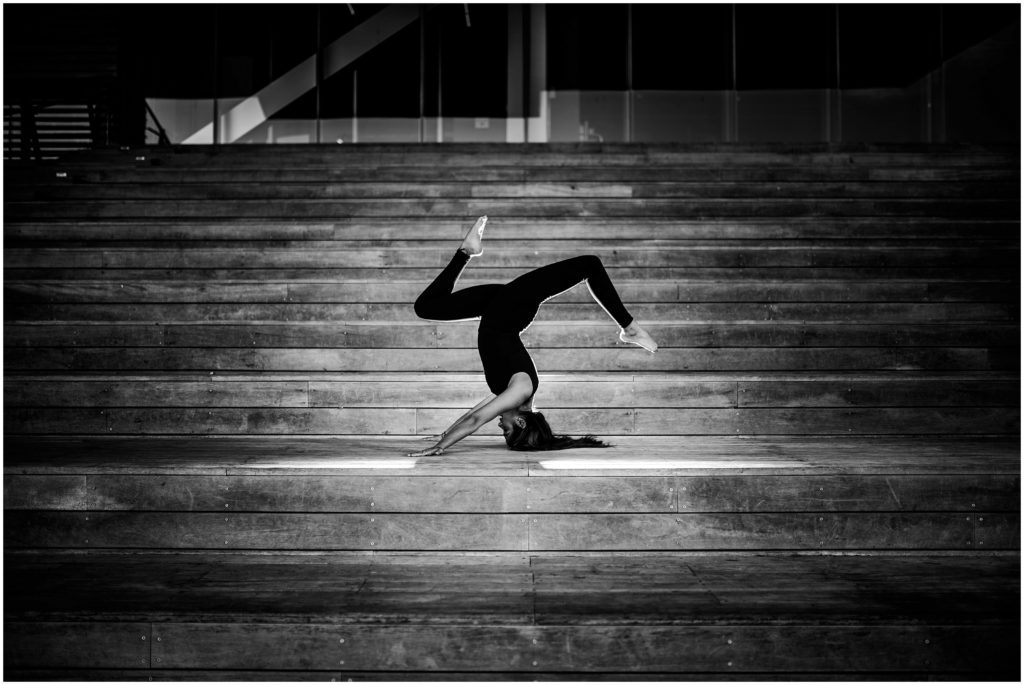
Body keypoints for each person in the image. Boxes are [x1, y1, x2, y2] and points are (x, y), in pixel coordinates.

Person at [407, 216, 657, 456]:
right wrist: (443, 447)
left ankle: (466, 252)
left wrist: (444, 437)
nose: (499, 427)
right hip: (513, 308)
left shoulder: (509, 394)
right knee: (589, 265)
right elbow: (477, 420)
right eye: (506, 430)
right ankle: (629, 327)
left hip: (498, 308)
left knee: (427, 307)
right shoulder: (521, 389)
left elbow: (474, 414)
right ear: (521, 422)